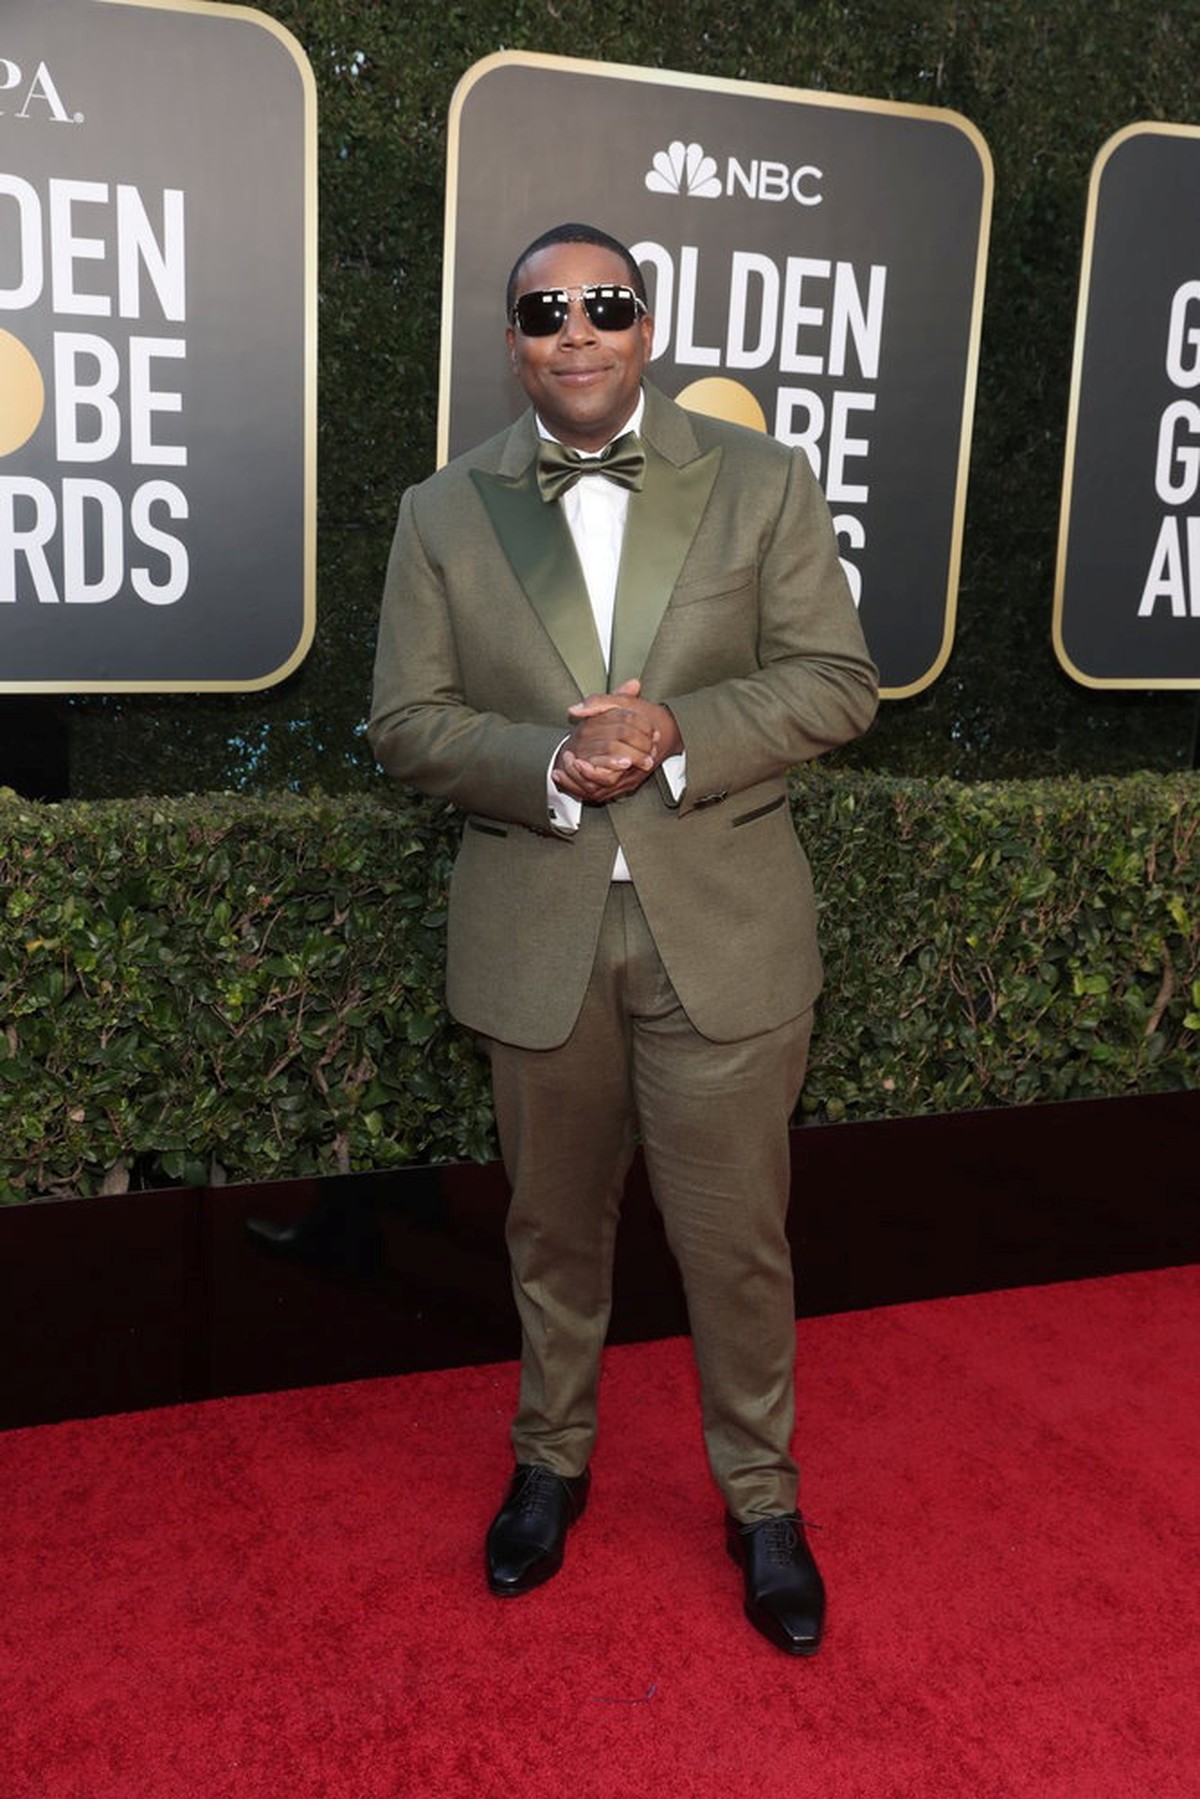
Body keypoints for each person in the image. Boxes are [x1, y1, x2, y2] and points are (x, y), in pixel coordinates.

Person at [368, 222, 879, 1656]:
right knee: (549, 1235)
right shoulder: (441, 512)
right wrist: (547, 763)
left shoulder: (762, 482)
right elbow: (404, 722)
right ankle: (550, 1466)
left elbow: (837, 680)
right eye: (545, 311)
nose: (576, 330)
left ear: (647, 327)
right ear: (516, 340)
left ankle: (764, 1503)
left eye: (605, 305)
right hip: (539, 937)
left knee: (738, 1248)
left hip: (723, 934)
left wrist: (674, 736)